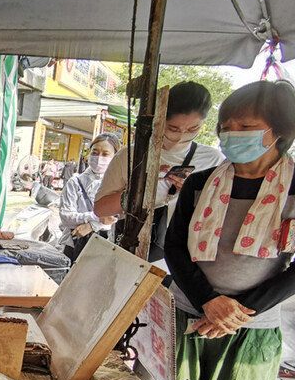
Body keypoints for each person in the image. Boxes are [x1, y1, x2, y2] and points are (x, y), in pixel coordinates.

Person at [164, 80, 295, 380]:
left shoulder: (294, 189)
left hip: (250, 329)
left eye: (246, 127)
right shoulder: (200, 183)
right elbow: (174, 246)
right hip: (186, 317)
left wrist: (237, 313)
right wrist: (208, 301)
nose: (231, 134)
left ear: (279, 130)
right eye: (226, 127)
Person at [94, 82, 225, 261]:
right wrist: (142, 190)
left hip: (186, 258)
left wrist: (192, 195)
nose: (181, 135)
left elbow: (220, 216)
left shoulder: (213, 160)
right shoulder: (131, 155)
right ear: (160, 120)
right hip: (134, 255)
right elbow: (100, 209)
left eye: (192, 129)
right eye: (173, 128)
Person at [59, 133, 121, 262]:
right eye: (95, 153)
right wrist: (99, 218)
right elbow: (66, 217)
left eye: (105, 154)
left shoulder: (120, 185)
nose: (99, 158)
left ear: (115, 156)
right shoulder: (75, 182)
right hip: (76, 244)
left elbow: (117, 218)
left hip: (108, 246)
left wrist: (92, 225)